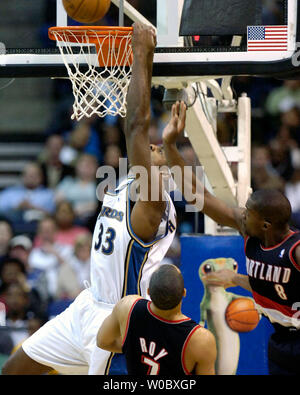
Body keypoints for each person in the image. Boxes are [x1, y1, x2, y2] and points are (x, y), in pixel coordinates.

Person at [2, 23, 178, 376]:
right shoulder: (128, 180)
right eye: (154, 147)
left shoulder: (154, 197)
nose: (153, 147)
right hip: (86, 304)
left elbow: (137, 126)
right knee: (14, 370)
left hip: (118, 319)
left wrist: (141, 57)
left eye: (160, 149)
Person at [162, 102, 300, 375]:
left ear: (266, 224)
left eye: (247, 213)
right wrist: (170, 145)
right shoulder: (251, 231)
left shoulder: (295, 249)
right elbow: (195, 194)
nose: (241, 214)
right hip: (280, 340)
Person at [97, 264, 216, 375]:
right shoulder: (200, 339)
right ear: (183, 293)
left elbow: (102, 341)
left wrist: (133, 348)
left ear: (148, 292)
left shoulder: (127, 306)